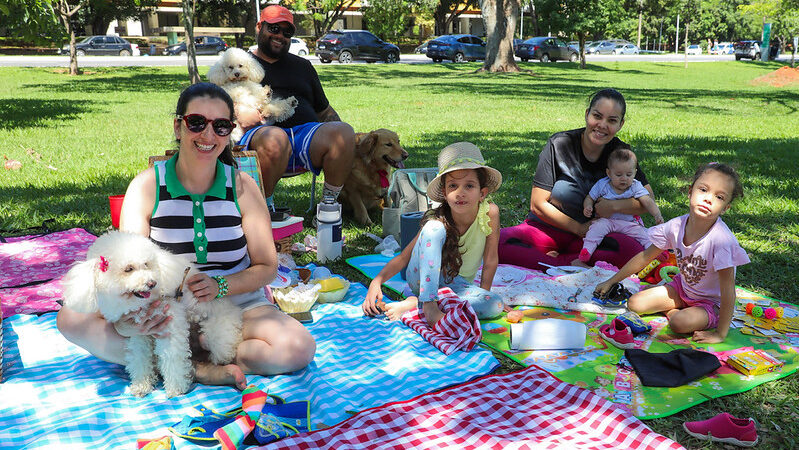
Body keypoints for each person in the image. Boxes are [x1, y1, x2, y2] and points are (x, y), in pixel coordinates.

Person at [57, 82, 316, 388]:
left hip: (235, 304)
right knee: (70, 319)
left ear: (230, 132)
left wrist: (220, 285)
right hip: (160, 306)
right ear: (178, 127)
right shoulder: (146, 187)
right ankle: (200, 367)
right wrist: (131, 322)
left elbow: (266, 267)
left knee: (298, 347)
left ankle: (192, 360)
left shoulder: (243, 187)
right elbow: (126, 267)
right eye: (197, 123)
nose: (208, 136)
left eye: (221, 126)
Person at [498, 88, 656, 271]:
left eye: (612, 120)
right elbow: (537, 204)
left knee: (632, 251)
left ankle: (551, 263)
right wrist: (579, 228)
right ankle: (566, 265)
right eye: (597, 116)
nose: (602, 125)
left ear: (620, 124)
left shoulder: (621, 154)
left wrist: (613, 207)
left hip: (596, 236)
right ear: (587, 114)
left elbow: (648, 200)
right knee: (498, 242)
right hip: (547, 230)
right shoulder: (559, 144)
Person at [594, 163, 749, 344]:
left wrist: (720, 334)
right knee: (635, 303)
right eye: (704, 190)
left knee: (679, 323)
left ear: (725, 208)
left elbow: (728, 291)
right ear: (690, 192)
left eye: (719, 197)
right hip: (681, 289)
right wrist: (611, 280)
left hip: (710, 303)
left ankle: (676, 313)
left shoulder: (722, 241)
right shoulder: (675, 226)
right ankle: (675, 308)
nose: (708, 199)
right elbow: (645, 257)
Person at [362, 142, 505, 325]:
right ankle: (429, 305)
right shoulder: (438, 219)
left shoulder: (490, 213)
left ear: (482, 193)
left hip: (457, 287)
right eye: (453, 186)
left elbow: (491, 259)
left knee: (495, 305)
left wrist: (485, 293)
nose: (460, 193)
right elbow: (404, 257)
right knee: (434, 227)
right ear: (444, 193)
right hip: (421, 280)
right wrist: (377, 281)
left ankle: (415, 304)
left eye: (469, 186)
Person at [236, 5, 354, 208]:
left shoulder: (303, 66)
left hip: (304, 138)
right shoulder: (239, 65)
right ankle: (265, 206)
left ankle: (328, 206)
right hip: (261, 137)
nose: (280, 35)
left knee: (343, 132)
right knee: (276, 138)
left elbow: (324, 110)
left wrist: (349, 139)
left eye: (287, 31)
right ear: (259, 27)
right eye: (274, 28)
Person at [579, 147, 664, 264]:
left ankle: (656, 253)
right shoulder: (603, 185)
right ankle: (586, 251)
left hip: (630, 223)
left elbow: (647, 200)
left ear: (635, 172)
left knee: (644, 235)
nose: (624, 179)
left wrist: (657, 214)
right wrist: (587, 206)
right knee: (595, 229)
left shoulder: (635, 185)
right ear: (609, 173)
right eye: (618, 175)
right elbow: (590, 197)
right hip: (607, 221)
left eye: (629, 174)